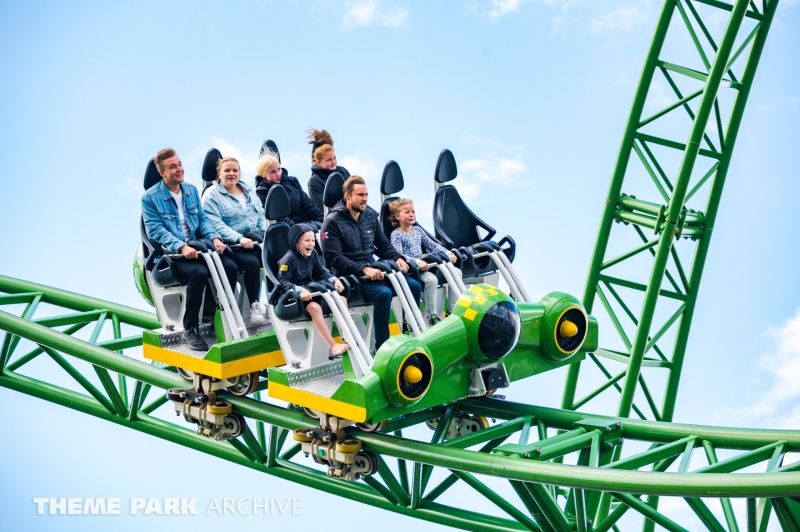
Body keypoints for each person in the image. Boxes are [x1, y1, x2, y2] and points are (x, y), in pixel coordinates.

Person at [142, 148, 239, 351]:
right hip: (170, 257)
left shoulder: (191, 190)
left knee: (230, 266)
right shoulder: (150, 198)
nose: (179, 169)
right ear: (162, 173)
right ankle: (190, 328)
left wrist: (215, 238)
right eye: (172, 167)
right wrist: (181, 246)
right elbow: (156, 231)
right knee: (199, 273)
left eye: (179, 164)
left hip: (196, 248)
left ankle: (220, 316)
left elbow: (202, 220)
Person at [321, 176, 422, 350]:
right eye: (360, 195)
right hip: (350, 279)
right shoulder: (332, 222)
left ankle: (410, 331)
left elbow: (383, 245)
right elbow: (334, 258)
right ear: (347, 196)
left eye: (366, 194)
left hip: (372, 270)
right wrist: (363, 269)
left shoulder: (369, 215)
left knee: (414, 285)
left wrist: (398, 258)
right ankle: (382, 347)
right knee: (384, 293)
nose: (365, 199)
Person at [201, 156, 267, 325]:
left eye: (235, 170)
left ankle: (281, 303)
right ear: (219, 174)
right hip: (231, 244)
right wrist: (239, 238)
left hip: (255, 241)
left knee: (278, 258)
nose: (231, 174)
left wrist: (262, 233)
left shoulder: (249, 191)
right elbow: (216, 224)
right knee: (252, 263)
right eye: (227, 170)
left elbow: (260, 215)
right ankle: (254, 307)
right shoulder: (211, 195)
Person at [278, 223, 350, 356]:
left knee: (341, 299)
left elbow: (321, 271)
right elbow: (283, 281)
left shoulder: (314, 254)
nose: (311, 244)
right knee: (314, 308)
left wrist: (334, 279)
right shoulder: (288, 259)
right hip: (295, 298)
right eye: (307, 240)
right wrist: (299, 290)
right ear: (296, 242)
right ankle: (332, 345)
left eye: (313, 240)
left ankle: (348, 337)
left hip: (312, 291)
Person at [389, 199, 463, 326]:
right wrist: (417, 262)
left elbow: (432, 245)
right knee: (431, 280)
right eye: (407, 212)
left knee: (456, 272)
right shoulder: (396, 234)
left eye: (413, 212)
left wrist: (448, 253)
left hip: (426, 266)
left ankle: (452, 310)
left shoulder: (418, 230)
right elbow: (399, 255)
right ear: (397, 217)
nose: (411, 215)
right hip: (413, 270)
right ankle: (431, 316)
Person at [255, 151, 323, 226]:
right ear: (264, 174)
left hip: (306, 223)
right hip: (287, 228)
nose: (278, 174)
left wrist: (323, 221)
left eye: (279, 169)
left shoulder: (292, 181)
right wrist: (297, 230)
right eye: (273, 172)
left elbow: (308, 205)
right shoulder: (262, 192)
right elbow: (280, 217)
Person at [306, 129, 351, 211]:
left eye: (334, 158)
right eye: (329, 160)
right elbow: (323, 208)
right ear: (318, 162)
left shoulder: (343, 171)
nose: (333, 162)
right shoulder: (314, 182)